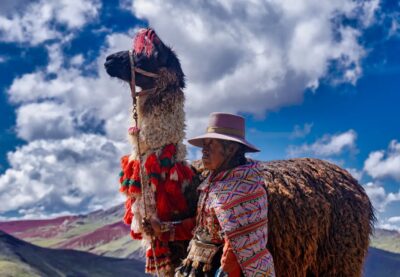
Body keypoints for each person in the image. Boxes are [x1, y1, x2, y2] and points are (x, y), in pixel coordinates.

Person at [143, 113, 275, 277]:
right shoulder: (214, 184)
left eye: (211, 144)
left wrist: (223, 272)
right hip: (198, 267)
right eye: (203, 145)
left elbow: (235, 250)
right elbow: (202, 228)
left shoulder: (244, 189)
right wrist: (162, 228)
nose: (203, 151)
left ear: (232, 149)